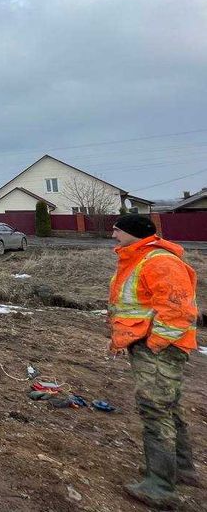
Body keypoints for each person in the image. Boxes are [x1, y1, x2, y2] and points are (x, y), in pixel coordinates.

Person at [109, 214, 199, 509]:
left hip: (160, 348)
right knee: (168, 406)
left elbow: (178, 311)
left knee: (156, 410)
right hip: (148, 344)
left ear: (134, 233)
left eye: (117, 231)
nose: (113, 236)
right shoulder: (137, 259)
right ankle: (181, 469)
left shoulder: (159, 261)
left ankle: (159, 486)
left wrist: (155, 344)